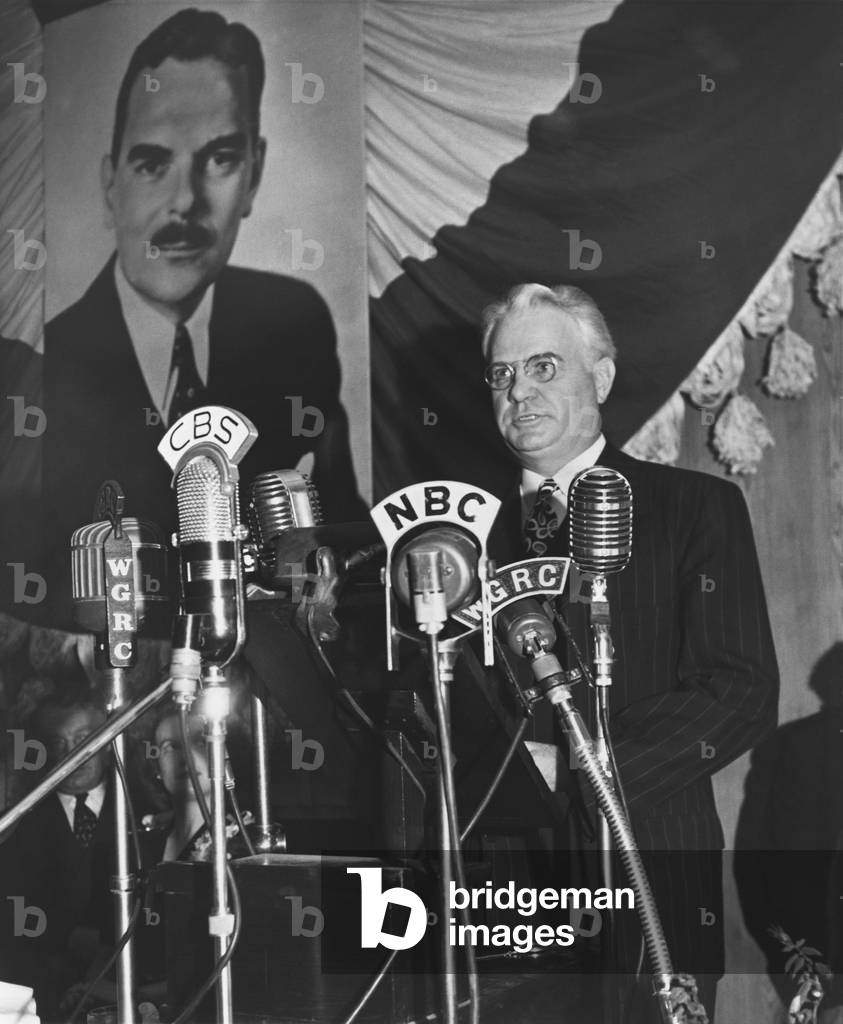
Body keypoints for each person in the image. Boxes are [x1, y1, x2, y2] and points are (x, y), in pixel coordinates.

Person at [481, 283, 780, 1021]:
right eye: (501, 373)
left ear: (601, 377)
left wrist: (580, 769)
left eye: (543, 366)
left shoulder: (691, 509)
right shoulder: (460, 536)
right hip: (499, 890)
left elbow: (739, 689)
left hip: (650, 864)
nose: (518, 390)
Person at [38, 8, 365, 629]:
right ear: (111, 185)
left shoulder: (295, 323)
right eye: (151, 163)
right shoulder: (48, 359)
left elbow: (334, 536)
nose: (185, 201)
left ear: (254, 173)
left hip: (271, 687)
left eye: (219, 158)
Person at [0, 688, 115, 1022]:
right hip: (41, 997)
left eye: (85, 737)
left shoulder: (145, 811)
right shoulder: (13, 823)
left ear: (108, 742)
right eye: (58, 742)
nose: (74, 753)